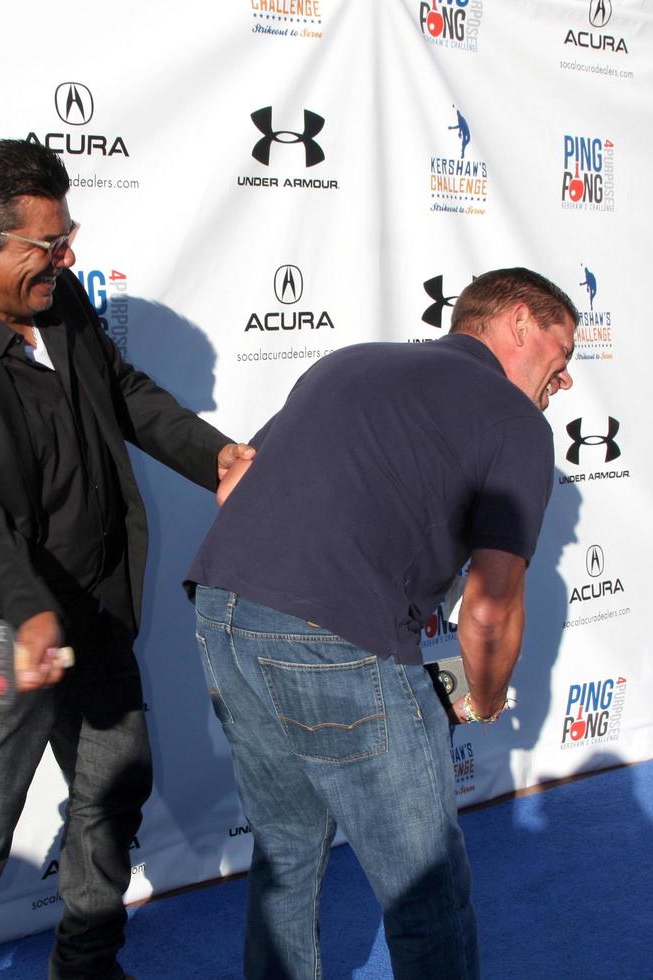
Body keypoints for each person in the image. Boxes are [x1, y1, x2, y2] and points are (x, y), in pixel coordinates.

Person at [0, 139, 252, 980]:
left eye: (66, 237)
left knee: (112, 797)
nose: (66, 257)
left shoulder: (58, 296)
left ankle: (87, 965)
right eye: (45, 243)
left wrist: (215, 456)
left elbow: (124, 391)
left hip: (101, 607)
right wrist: (32, 613)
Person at [186, 268, 578, 979]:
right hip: (331, 634)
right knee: (425, 885)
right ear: (520, 321)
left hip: (223, 611)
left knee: (288, 851)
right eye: (566, 348)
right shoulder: (517, 421)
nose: (568, 377)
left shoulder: (354, 359)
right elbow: (489, 609)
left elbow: (236, 485)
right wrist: (485, 698)